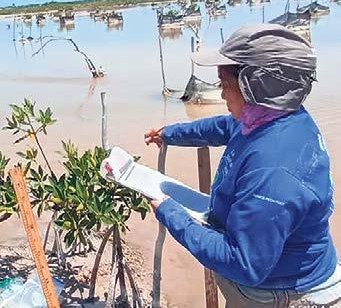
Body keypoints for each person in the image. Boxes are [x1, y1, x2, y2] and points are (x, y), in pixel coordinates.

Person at [144, 24, 340, 307]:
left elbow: (243, 263)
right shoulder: (272, 118)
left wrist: (169, 212)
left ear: (255, 86)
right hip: (269, 278)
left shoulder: (273, 169)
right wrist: (170, 134)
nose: (222, 95)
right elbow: (224, 126)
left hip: (280, 292)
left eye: (224, 85)